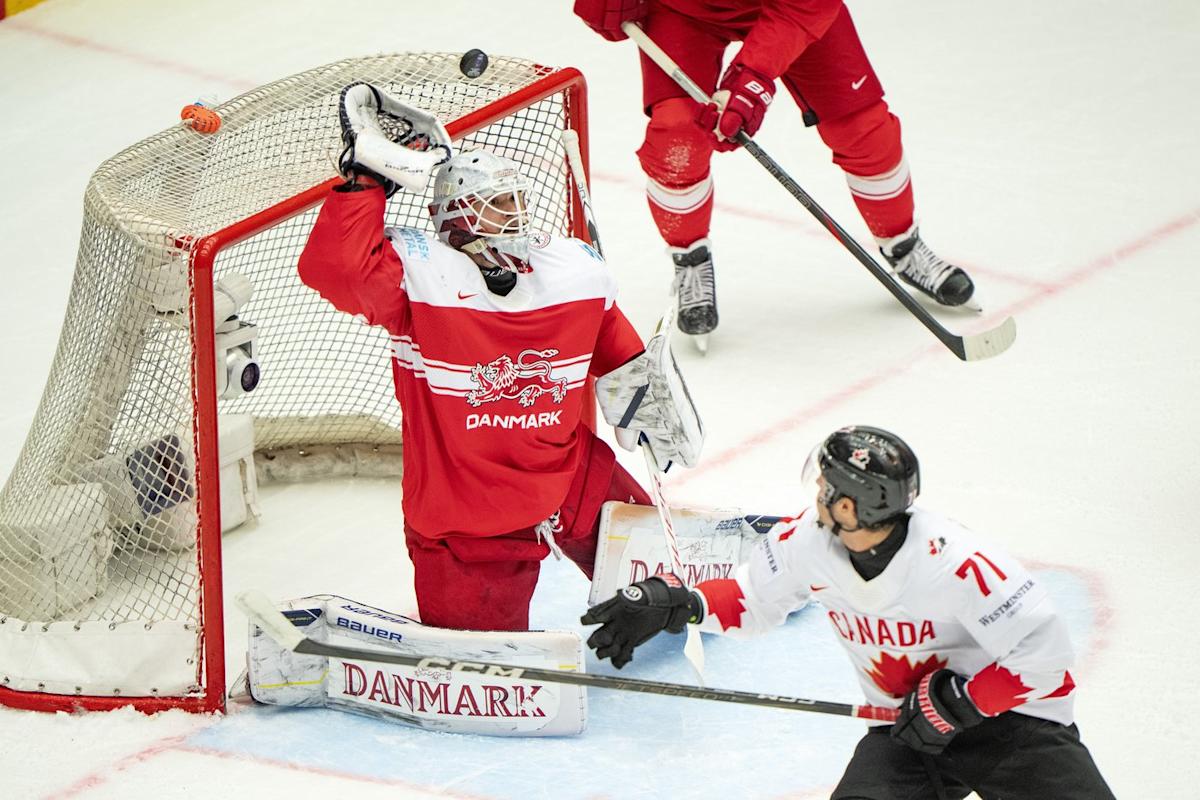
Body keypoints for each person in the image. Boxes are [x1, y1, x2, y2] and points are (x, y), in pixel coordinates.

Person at [297, 83, 701, 632]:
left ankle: (693, 587)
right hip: (469, 513)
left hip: (566, 474)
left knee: (668, 587)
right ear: (455, 218)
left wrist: (649, 402)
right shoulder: (419, 280)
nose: (515, 218)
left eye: (516, 202)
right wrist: (365, 184)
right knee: (483, 654)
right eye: (495, 207)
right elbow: (337, 272)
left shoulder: (570, 271)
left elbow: (619, 350)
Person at [581, 425, 1114, 799]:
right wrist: (679, 604)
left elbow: (1046, 659)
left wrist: (966, 701)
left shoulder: (958, 563)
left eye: (827, 484)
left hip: (1012, 727)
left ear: (850, 506)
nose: (817, 489)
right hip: (905, 728)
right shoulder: (805, 541)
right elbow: (752, 601)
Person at [574, 0, 978, 343]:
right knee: (677, 136)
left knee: (863, 129)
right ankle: (689, 256)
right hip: (685, 9)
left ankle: (903, 245)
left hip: (795, 7)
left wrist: (754, 76)